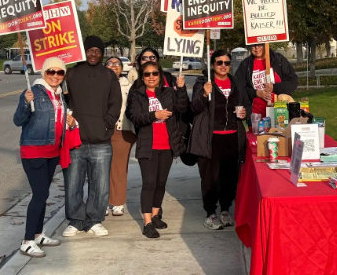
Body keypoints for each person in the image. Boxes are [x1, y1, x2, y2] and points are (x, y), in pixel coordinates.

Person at [13, 57, 77, 257]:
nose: (56, 76)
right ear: (44, 73)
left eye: (60, 72)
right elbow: (18, 120)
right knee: (39, 195)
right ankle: (27, 241)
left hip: (52, 151)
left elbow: (58, 122)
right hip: (34, 151)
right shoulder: (33, 92)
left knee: (44, 194)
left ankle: (38, 234)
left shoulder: (60, 95)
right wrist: (25, 102)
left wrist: (70, 122)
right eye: (51, 72)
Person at [62, 36, 122, 237]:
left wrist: (106, 124)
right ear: (83, 51)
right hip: (76, 140)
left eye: (97, 50)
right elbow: (60, 98)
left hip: (101, 141)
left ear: (102, 53)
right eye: (90, 50)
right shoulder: (71, 74)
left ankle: (94, 220)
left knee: (100, 185)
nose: (93, 54)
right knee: (73, 184)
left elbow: (116, 103)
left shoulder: (109, 76)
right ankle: (76, 220)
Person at [126, 61, 188, 238]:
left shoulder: (168, 92)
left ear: (160, 76)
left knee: (161, 183)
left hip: (167, 145)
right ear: (142, 76)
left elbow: (182, 108)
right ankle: (147, 223)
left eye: (154, 73)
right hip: (148, 146)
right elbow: (135, 117)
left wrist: (181, 90)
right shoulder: (137, 95)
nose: (151, 77)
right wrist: (155, 115)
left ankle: (155, 215)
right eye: (147, 74)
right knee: (149, 184)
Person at [189, 50, 249, 230]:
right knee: (210, 177)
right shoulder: (203, 82)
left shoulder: (236, 82)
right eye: (219, 62)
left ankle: (224, 209)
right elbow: (195, 107)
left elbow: (246, 104)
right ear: (213, 64)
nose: (223, 66)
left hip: (232, 136)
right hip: (210, 138)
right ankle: (210, 212)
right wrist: (204, 94)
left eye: (227, 63)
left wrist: (245, 112)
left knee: (229, 177)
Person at [105, 56, 137, 217]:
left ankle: (117, 202)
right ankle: (102, 201)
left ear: (121, 68)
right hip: (100, 131)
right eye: (110, 63)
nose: (113, 66)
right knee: (100, 168)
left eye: (117, 64)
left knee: (118, 167)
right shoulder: (97, 85)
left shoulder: (128, 86)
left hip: (121, 130)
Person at [235, 44, 298, 118]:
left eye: (259, 45)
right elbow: (238, 88)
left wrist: (274, 87)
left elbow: (293, 81)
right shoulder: (246, 64)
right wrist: (255, 93)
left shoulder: (278, 59)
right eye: (253, 46)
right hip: (257, 115)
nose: (256, 48)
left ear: (265, 45)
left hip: (282, 112)